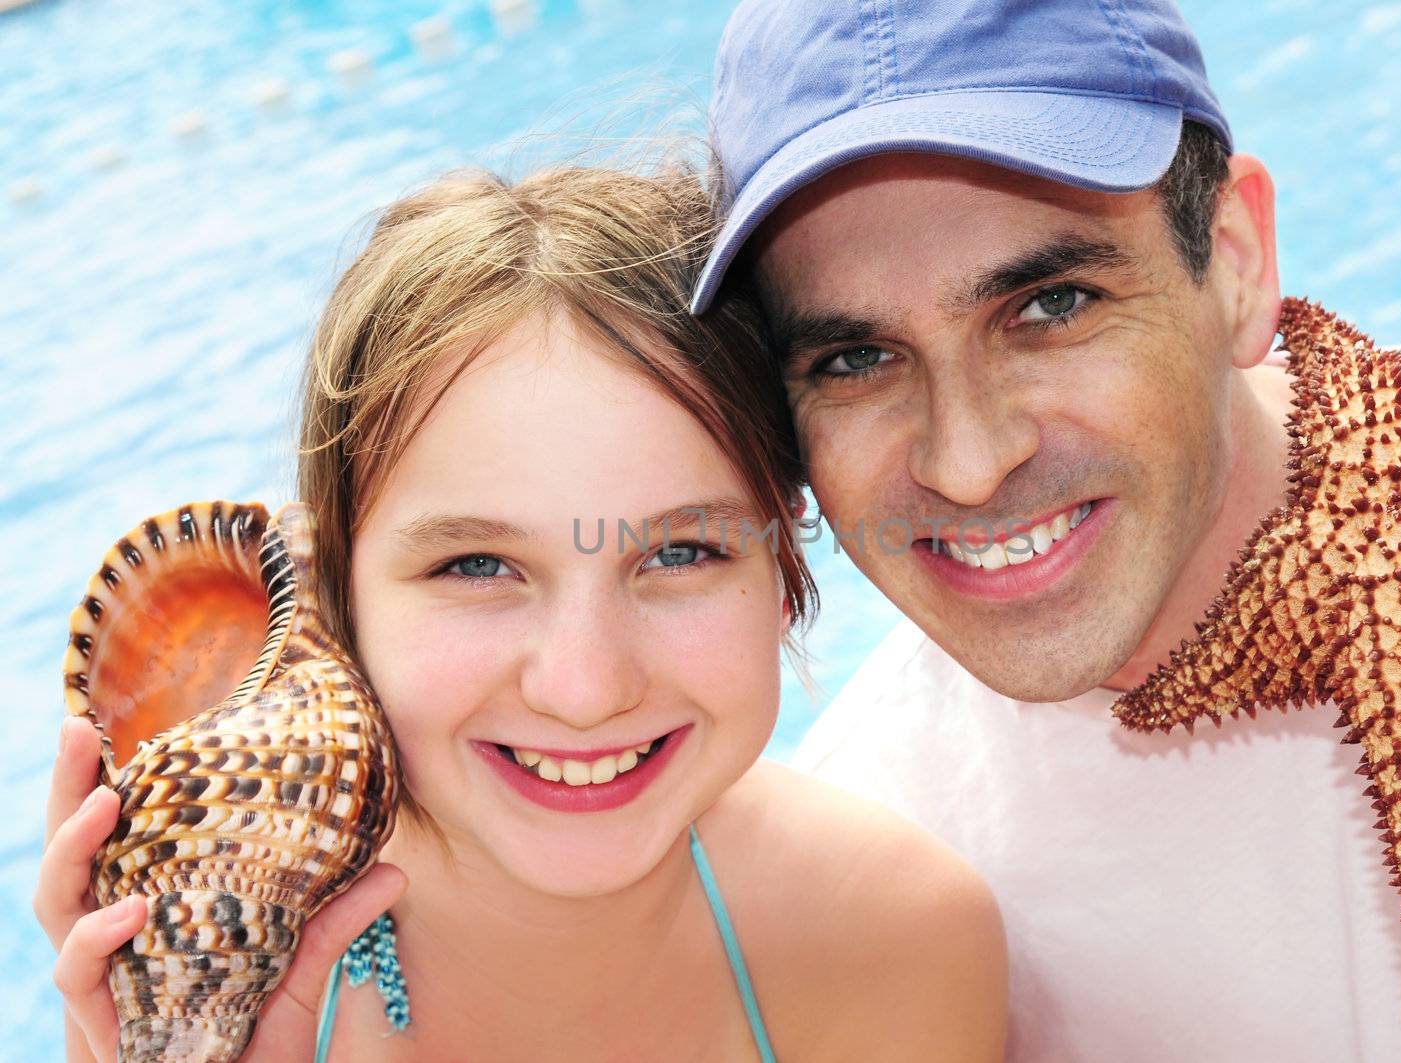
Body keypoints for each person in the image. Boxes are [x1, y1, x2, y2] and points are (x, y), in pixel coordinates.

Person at [689, 0, 1401, 1059]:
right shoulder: (880, 873)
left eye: (1052, 304)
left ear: (1236, 258)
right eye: (854, 361)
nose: (968, 462)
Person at [35, 163, 1007, 1061]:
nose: (583, 688)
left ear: (787, 554)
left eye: (678, 552)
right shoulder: (198, 978)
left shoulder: (892, 938)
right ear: (335, 599)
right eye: (477, 565)